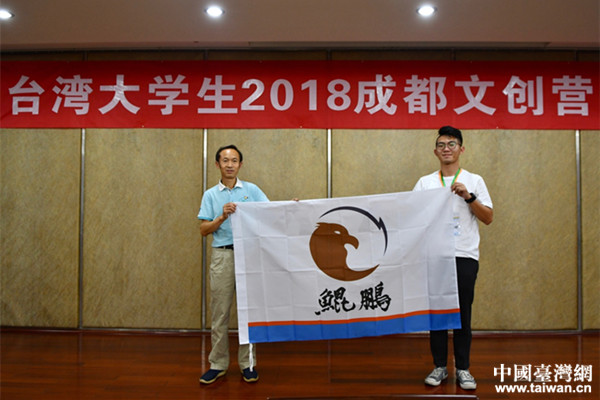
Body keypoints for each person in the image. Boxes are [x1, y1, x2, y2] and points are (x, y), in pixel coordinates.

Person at [413, 126, 493, 390]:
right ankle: (439, 366)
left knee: (462, 314)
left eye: (451, 144)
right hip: (435, 256)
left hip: (464, 255)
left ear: (461, 149)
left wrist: (468, 197)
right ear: (435, 151)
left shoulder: (474, 180)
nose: (446, 148)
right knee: (437, 314)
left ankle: (463, 368)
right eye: (441, 145)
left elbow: (488, 217)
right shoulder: (425, 183)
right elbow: (411, 216)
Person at [197, 144, 269, 385]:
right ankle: (217, 364)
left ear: (240, 164)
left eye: (234, 160)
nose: (230, 165)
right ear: (217, 164)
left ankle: (248, 364)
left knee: (248, 313)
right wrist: (222, 216)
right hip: (223, 256)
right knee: (220, 313)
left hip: (249, 255)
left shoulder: (251, 190)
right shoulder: (210, 195)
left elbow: (270, 213)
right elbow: (203, 230)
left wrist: (291, 206)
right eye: (225, 160)